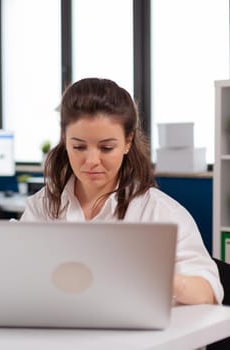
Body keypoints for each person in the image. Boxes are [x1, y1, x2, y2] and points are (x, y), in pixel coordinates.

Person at [20, 77, 223, 305]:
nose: (91, 160)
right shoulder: (42, 205)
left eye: (106, 148)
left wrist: (161, 277)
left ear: (128, 142)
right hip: (55, 329)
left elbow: (208, 292)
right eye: (78, 147)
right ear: (64, 139)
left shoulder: (160, 212)